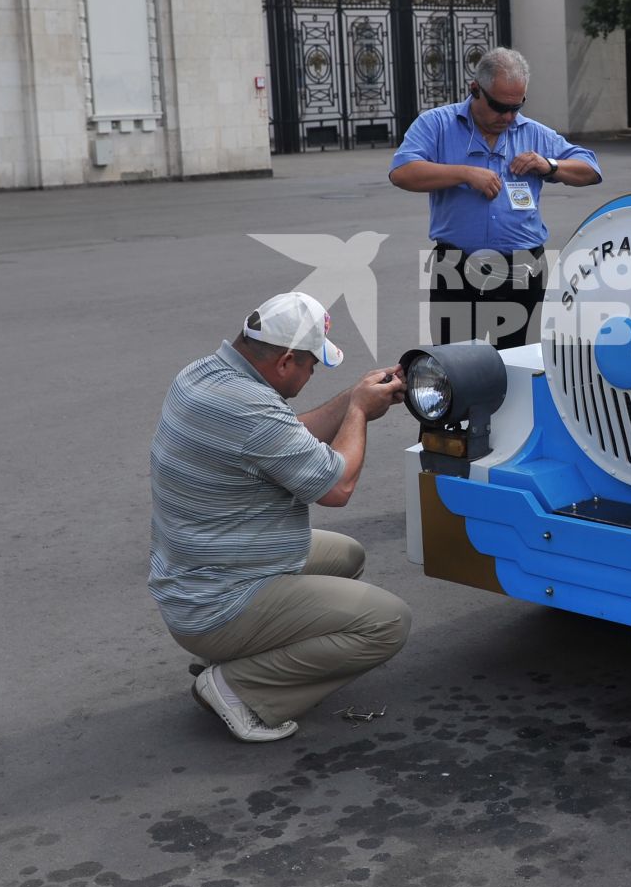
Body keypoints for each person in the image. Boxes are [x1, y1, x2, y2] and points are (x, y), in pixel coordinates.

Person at [149, 292, 410, 743]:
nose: (312, 375)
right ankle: (239, 687)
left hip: (195, 577)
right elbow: (337, 487)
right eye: (312, 365)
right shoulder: (250, 410)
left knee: (346, 555)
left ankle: (247, 660)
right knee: (387, 622)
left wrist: (356, 394)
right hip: (216, 605)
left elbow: (287, 437)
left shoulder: (203, 375)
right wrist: (360, 413)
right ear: (287, 361)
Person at [388, 47, 601, 347]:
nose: (509, 117)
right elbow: (402, 171)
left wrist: (549, 165)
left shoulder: (533, 132)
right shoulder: (436, 124)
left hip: (523, 268)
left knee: (522, 368)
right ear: (475, 90)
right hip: (457, 267)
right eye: (500, 107)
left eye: (517, 106)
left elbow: (591, 169)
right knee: (458, 368)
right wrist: (464, 173)